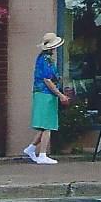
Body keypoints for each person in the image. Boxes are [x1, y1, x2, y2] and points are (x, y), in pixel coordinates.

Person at [24, 32, 70, 165]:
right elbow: (47, 80)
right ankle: (42, 154)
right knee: (47, 126)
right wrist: (60, 95)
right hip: (45, 94)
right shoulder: (46, 60)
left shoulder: (43, 58)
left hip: (43, 93)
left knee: (44, 126)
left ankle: (31, 148)